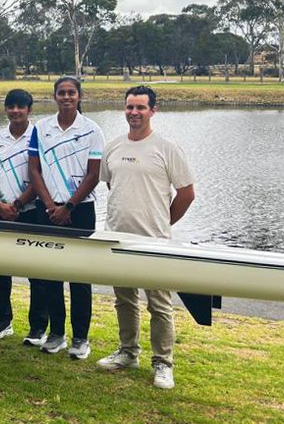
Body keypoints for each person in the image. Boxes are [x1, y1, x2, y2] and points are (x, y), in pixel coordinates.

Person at [96, 86, 196, 390]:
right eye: (130, 107)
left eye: (141, 108)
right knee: (124, 300)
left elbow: (186, 194)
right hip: (118, 239)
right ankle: (128, 352)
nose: (134, 113)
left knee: (160, 304)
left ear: (153, 110)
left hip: (155, 242)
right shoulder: (113, 147)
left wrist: (163, 223)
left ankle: (163, 363)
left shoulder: (166, 148)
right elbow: (113, 186)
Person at [28, 76, 105, 359]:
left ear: (79, 96)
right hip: (47, 209)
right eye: (61, 93)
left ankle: (81, 338)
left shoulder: (92, 130)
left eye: (71, 93)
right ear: (54, 96)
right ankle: (57, 333)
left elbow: (93, 174)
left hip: (80, 211)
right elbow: (34, 170)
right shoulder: (41, 128)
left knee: (79, 277)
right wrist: (50, 205)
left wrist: (69, 207)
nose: (66, 97)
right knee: (51, 274)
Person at [0, 89, 47, 344]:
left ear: (30, 109)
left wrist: (18, 204)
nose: (16, 111)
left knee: (36, 270)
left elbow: (39, 174)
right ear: (6, 109)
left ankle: (38, 326)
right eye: (11, 106)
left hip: (30, 211)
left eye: (21, 106)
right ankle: (3, 320)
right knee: (0, 268)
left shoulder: (39, 136)